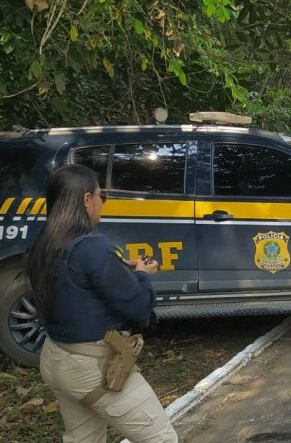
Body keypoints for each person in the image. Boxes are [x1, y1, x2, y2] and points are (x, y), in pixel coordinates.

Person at [25, 164, 178, 443]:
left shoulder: (43, 243)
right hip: (95, 368)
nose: (101, 203)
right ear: (86, 200)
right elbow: (138, 306)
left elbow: (77, 284)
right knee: (161, 439)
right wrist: (142, 276)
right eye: (101, 195)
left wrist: (121, 269)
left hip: (57, 359)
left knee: (84, 439)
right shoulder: (92, 247)